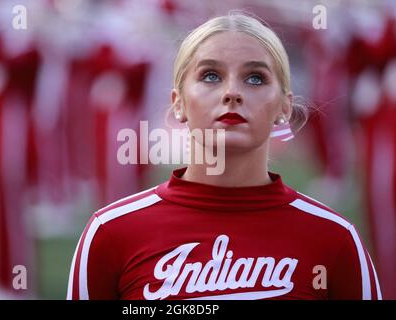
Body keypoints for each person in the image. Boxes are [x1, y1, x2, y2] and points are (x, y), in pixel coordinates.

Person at [67, 12, 382, 300]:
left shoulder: (335, 239)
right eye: (210, 76)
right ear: (178, 103)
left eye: (255, 78)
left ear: (284, 107)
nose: (232, 92)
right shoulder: (109, 233)